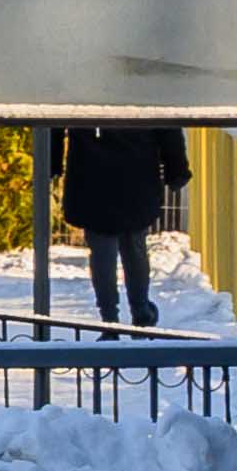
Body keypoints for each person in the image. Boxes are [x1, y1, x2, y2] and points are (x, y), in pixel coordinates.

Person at [61, 125, 180, 325]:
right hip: (137, 170)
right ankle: (141, 310)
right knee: (134, 246)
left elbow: (55, 122)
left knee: (102, 252)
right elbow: (166, 124)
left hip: (90, 172)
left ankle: (109, 319)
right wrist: (177, 170)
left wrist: (52, 163)